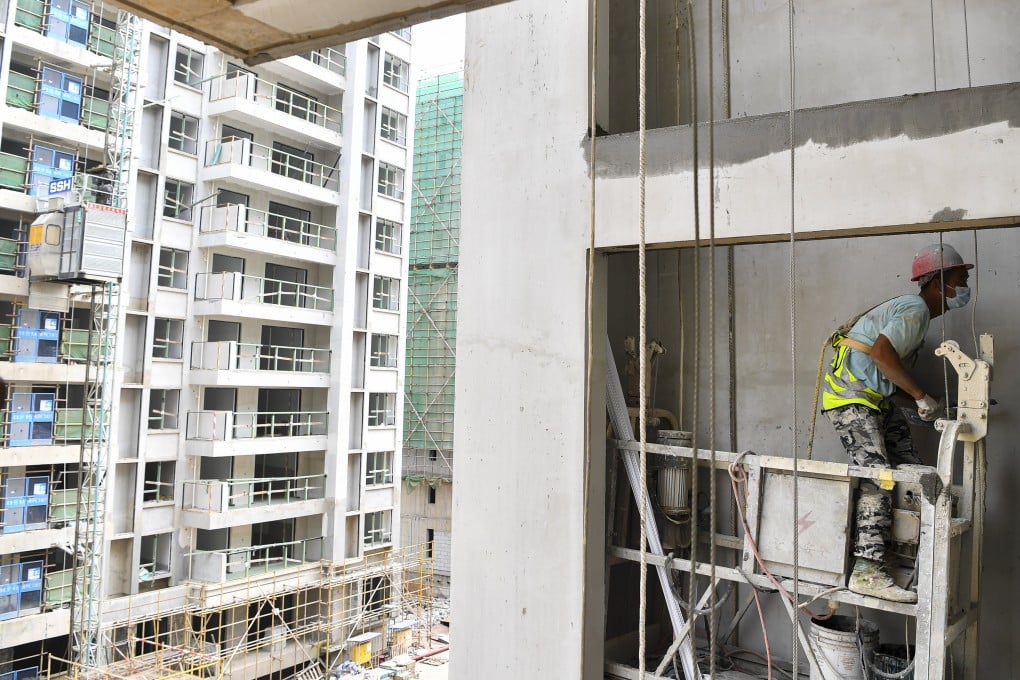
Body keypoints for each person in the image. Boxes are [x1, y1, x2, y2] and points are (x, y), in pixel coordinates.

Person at [822, 243, 972, 602]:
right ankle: (867, 570)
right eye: (960, 279)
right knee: (880, 476)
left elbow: (888, 372)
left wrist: (934, 401)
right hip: (851, 400)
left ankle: (910, 560)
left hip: (873, 400)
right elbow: (881, 354)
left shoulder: (913, 313)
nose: (965, 285)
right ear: (938, 282)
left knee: (915, 474)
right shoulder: (916, 309)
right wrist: (921, 396)